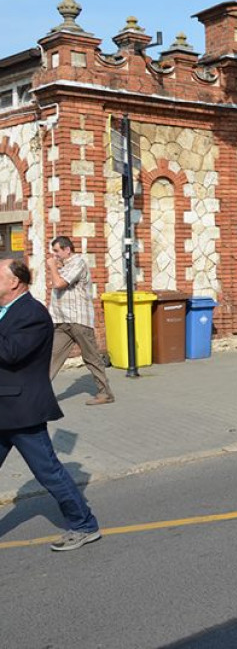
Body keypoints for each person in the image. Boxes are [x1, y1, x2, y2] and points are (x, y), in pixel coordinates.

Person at [0, 259, 101, 552]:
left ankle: (84, 525)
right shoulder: (6, 312)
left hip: (22, 412)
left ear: (14, 282)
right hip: (3, 410)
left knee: (49, 472)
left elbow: (11, 353)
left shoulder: (32, 314)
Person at [46, 236, 114, 406]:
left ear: (67, 250)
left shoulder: (78, 263)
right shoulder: (64, 266)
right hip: (62, 322)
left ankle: (105, 393)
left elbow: (60, 283)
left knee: (91, 357)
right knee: (50, 357)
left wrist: (53, 267)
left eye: (57, 251)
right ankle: (38, 394)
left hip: (78, 320)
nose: (55, 255)